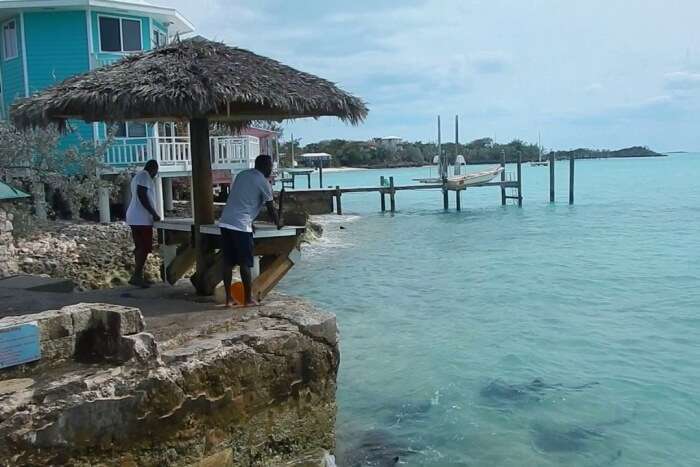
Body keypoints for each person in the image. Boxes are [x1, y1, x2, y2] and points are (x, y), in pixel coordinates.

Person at [219, 154, 280, 307]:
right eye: (270, 167)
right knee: (245, 263)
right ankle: (248, 300)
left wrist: (251, 221)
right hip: (241, 225)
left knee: (227, 262)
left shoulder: (242, 175)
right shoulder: (263, 182)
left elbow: (241, 199)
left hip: (225, 221)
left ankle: (228, 299)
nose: (271, 170)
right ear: (265, 166)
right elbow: (271, 209)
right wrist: (279, 222)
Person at [126, 160, 160, 287]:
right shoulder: (145, 176)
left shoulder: (137, 177)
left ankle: (138, 275)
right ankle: (136, 275)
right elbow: (142, 195)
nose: (155, 175)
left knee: (139, 247)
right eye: (156, 172)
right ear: (153, 169)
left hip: (134, 217)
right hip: (142, 218)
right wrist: (153, 213)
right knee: (144, 248)